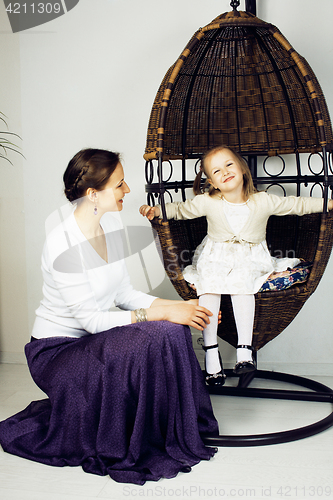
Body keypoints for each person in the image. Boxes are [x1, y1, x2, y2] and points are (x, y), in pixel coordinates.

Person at [0, 148, 219, 486]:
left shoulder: (110, 223)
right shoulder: (62, 245)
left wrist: (174, 306)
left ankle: (180, 428)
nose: (127, 190)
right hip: (58, 351)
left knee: (173, 330)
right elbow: (91, 321)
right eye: (119, 184)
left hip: (94, 341)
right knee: (158, 329)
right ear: (92, 195)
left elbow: (123, 294)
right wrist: (158, 312)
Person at [140, 145, 333, 386]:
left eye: (229, 164)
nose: (225, 172)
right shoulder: (208, 201)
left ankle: (244, 350)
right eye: (216, 171)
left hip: (251, 258)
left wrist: (328, 204)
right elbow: (181, 210)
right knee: (208, 284)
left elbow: (296, 205)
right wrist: (157, 210)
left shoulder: (263, 201)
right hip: (215, 256)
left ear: (242, 168)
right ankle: (211, 350)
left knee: (244, 282)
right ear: (212, 182)